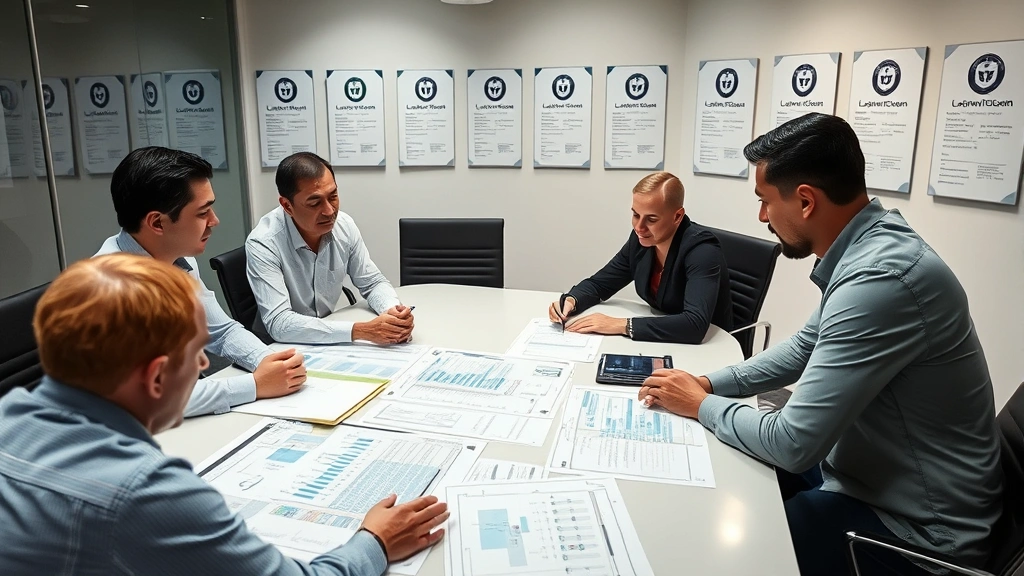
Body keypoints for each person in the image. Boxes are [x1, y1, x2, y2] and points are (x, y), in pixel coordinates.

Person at [638, 113, 1002, 575]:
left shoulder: (882, 279)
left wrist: (700, 405)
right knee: (732, 467)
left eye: (766, 202)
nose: (762, 216)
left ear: (806, 201)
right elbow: (801, 349)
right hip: (863, 474)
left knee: (740, 548)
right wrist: (706, 383)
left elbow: (793, 444)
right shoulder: (871, 249)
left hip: (922, 535)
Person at [0, 254, 449, 575]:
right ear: (157, 377)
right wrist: (375, 542)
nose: (202, 367)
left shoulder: (8, 413)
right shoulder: (149, 495)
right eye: (198, 355)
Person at [96, 146, 305, 417]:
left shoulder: (177, 259)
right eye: (202, 212)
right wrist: (255, 385)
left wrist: (269, 361)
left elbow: (220, 331)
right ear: (157, 223)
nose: (214, 221)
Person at [246, 152, 413, 345]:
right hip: (277, 347)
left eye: (333, 196)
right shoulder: (264, 243)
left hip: (328, 337)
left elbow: (372, 282)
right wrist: (362, 331)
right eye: (315, 203)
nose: (329, 211)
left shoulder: (344, 225)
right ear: (287, 205)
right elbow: (280, 323)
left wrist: (392, 313)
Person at [548, 171, 733, 343]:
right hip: (665, 340)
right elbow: (600, 284)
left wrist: (622, 325)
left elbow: (695, 325)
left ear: (677, 216)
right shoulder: (641, 240)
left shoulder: (702, 250)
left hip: (711, 349)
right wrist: (572, 300)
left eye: (651, 219)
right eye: (636, 215)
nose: (639, 227)